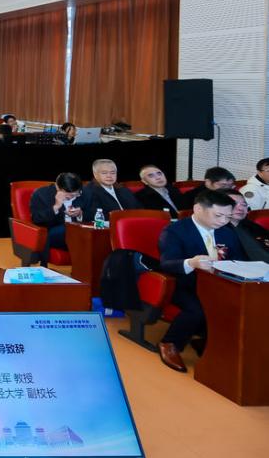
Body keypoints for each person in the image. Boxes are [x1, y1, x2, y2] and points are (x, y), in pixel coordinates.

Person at [157, 190, 246, 373]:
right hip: (184, 283)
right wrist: (191, 263)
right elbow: (166, 264)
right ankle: (170, 343)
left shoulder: (227, 232)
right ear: (198, 209)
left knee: (244, 306)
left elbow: (239, 259)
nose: (223, 221)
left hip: (219, 284)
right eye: (218, 215)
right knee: (198, 309)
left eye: (228, 216)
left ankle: (210, 342)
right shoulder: (175, 231)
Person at [28, 172, 84, 264]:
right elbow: (36, 218)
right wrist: (56, 207)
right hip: (52, 233)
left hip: (79, 234)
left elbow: (93, 214)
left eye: (75, 194)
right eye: (68, 194)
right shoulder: (41, 194)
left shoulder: (82, 193)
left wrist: (80, 215)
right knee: (70, 229)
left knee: (93, 237)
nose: (71, 197)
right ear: (57, 187)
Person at [76, 159, 142, 220]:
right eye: (104, 173)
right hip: (108, 226)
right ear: (95, 174)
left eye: (113, 173)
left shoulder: (124, 190)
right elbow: (92, 215)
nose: (109, 176)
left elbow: (139, 209)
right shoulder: (88, 191)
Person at [227, 189, 269, 262]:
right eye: (233, 204)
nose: (240, 208)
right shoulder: (217, 230)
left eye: (244, 205)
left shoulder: (252, 226)